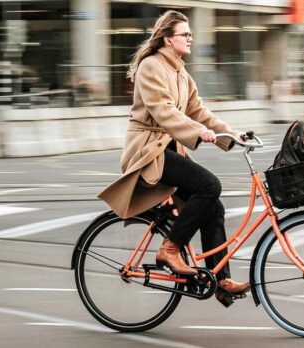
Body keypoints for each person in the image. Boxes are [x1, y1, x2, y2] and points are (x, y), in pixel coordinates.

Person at [98, 10, 250, 306]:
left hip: (168, 149)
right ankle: (170, 249)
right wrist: (198, 132)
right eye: (185, 34)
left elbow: (199, 111)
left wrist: (232, 135)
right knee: (210, 185)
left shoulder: (180, 71)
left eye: (190, 33)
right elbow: (164, 111)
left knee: (213, 207)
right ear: (168, 39)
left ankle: (220, 280)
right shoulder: (151, 67)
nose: (190, 38)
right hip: (148, 149)